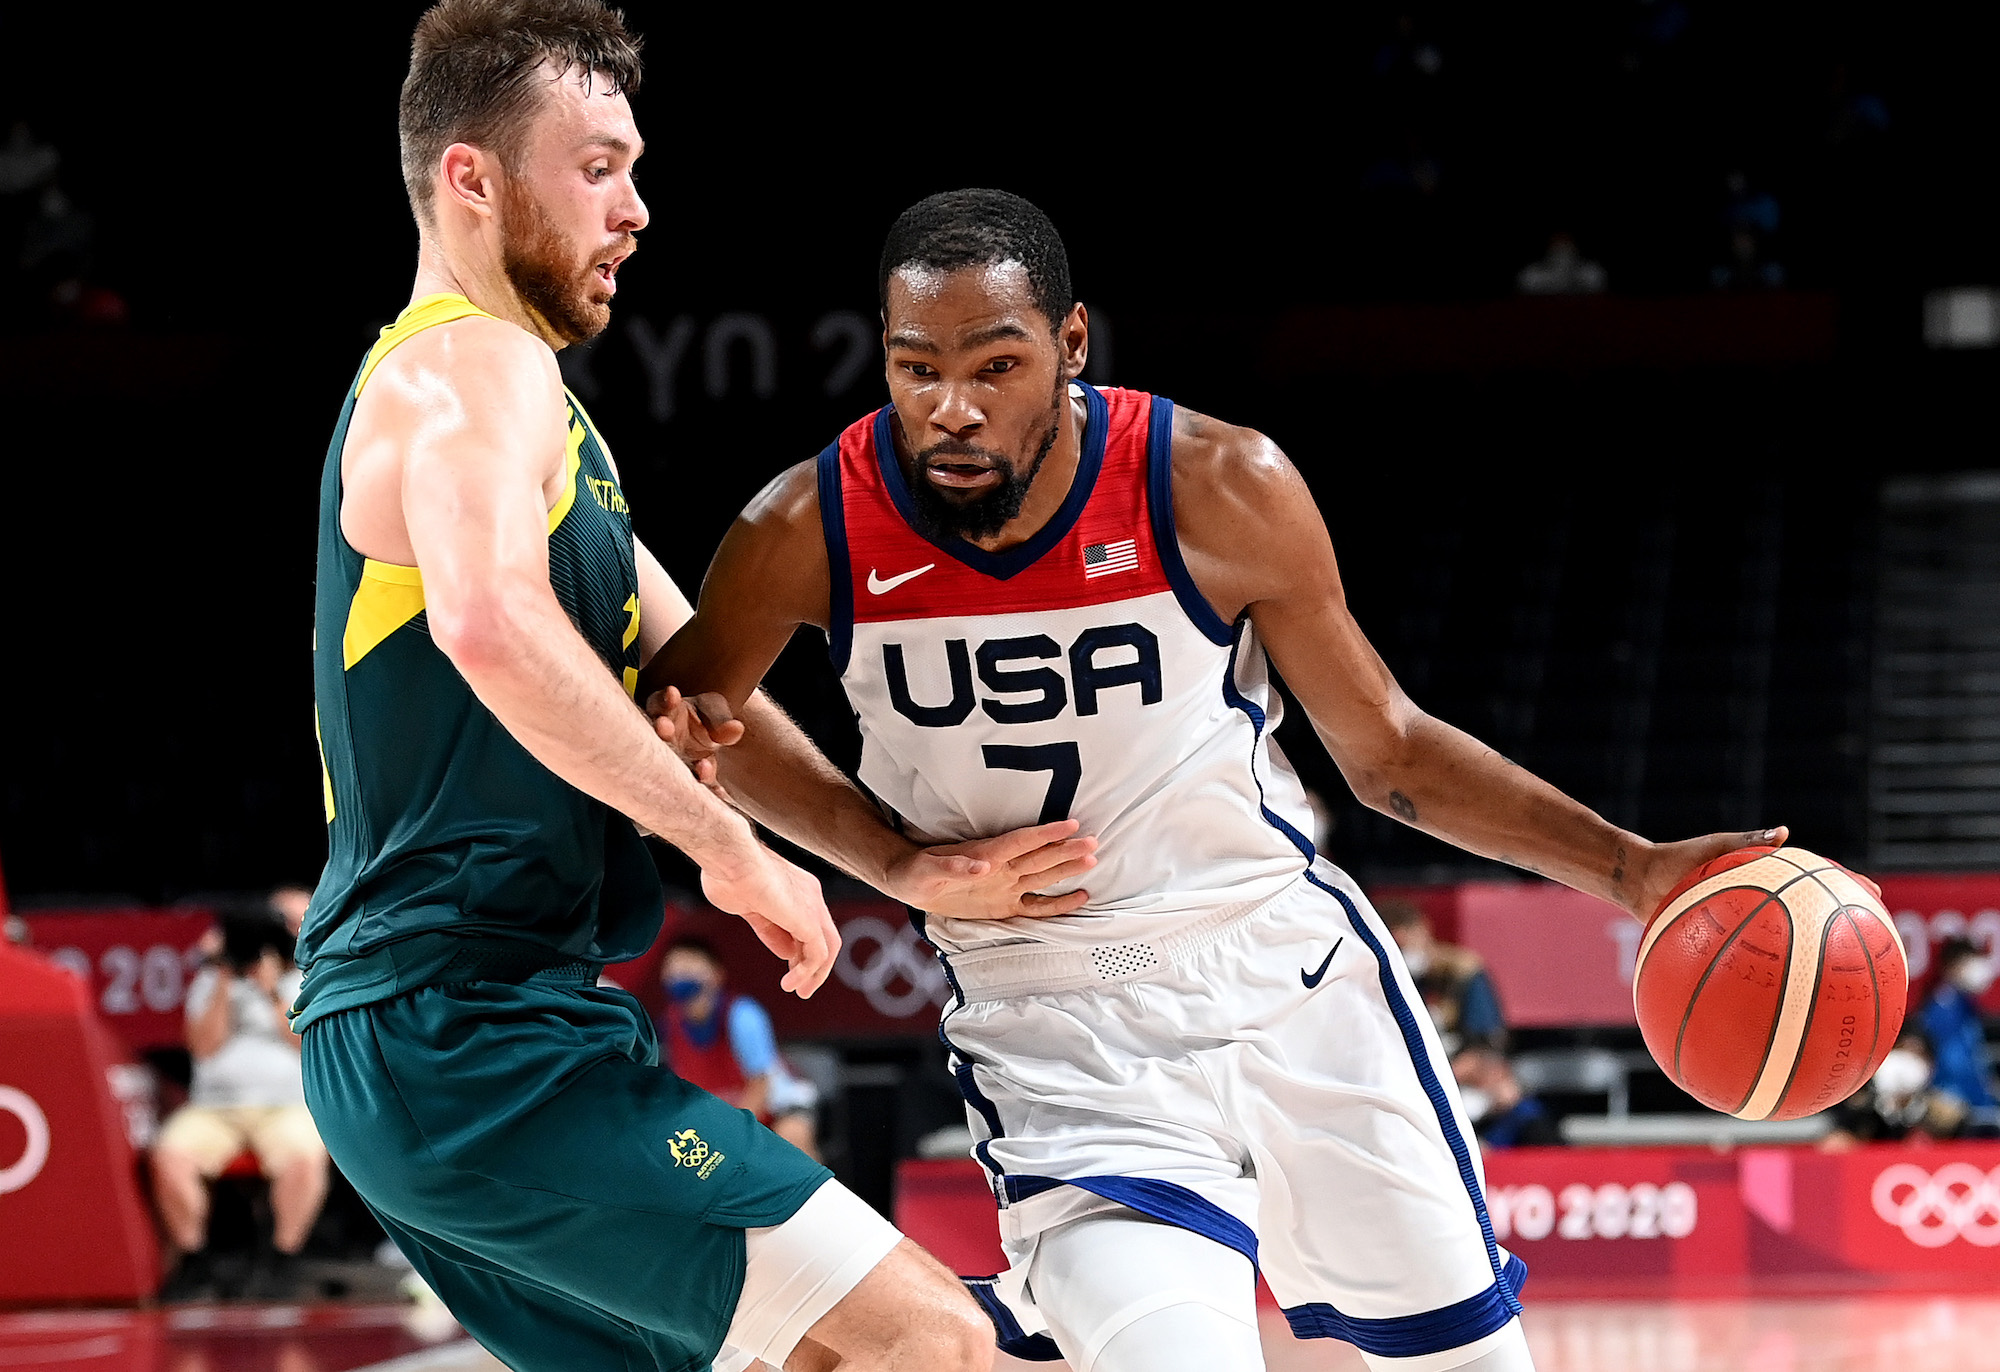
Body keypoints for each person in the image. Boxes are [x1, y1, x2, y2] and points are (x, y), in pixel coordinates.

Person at [646, 187, 1786, 1372]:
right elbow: (687, 719)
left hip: (1280, 974)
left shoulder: (1214, 484)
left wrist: (1631, 867)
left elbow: (1385, 752)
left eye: (995, 365)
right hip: (1054, 1018)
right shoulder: (811, 520)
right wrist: (888, 857)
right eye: (914, 366)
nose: (951, 410)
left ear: (1071, 344)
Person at [292, 9, 1096, 1372]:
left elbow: (689, 675)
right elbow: (493, 625)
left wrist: (897, 865)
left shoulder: (551, 427)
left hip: (462, 1034)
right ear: (474, 180)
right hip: (462, 1032)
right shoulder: (466, 368)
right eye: (598, 166)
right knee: (927, 1344)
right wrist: (724, 849)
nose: (636, 208)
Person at [153, 898, 329, 1299]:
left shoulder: (302, 979)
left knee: (304, 1158)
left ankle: (283, 1261)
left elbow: (306, 1041)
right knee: (170, 1156)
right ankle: (195, 1261)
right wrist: (223, 981)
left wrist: (269, 992)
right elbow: (203, 1047)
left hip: (285, 1107)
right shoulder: (211, 981)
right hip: (214, 1109)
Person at [659, 935, 820, 1157]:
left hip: (777, 1104)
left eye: (689, 965)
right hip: (725, 1114)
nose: (680, 973)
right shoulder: (670, 1023)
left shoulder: (742, 1015)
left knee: (792, 1141)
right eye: (673, 967)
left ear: (716, 974)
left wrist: (731, 1139)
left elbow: (761, 1085)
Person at [1379, 899, 1509, 1053]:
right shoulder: (1382, 980)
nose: (1404, 951)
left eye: (1404, 942)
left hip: (1456, 1063)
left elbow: (1486, 1043)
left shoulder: (1462, 970)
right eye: (1397, 947)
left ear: (1423, 930)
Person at [1921, 937, 1999, 1133]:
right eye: (1969, 962)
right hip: (1958, 1110)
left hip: (1980, 1105)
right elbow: (1954, 1063)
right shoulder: (1943, 1008)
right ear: (1952, 966)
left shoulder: (1965, 1004)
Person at [1449, 1048, 1560, 1151]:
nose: (1472, 1090)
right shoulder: (1479, 1119)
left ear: (1499, 1072)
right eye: (1466, 1084)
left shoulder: (1530, 1115)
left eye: (1475, 1081)